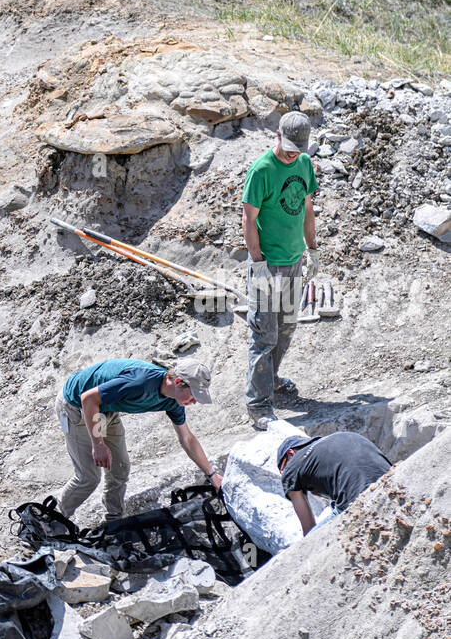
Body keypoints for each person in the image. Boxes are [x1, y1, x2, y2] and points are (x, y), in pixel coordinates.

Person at [56, 357, 223, 523]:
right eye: (194, 395)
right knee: (89, 477)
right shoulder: (140, 382)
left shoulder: (174, 401)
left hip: (106, 408)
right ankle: (53, 519)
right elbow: (88, 398)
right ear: (179, 382)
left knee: (120, 469)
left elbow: (187, 438)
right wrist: (98, 444)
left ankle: (113, 522)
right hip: (76, 406)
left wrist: (212, 475)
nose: (194, 402)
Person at [242, 111, 319, 431]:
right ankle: (258, 404)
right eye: (288, 147)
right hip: (267, 263)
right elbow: (248, 219)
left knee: (286, 327)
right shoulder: (261, 170)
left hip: (293, 260)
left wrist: (312, 249)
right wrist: (257, 263)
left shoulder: (304, 163)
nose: (292, 153)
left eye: (298, 148)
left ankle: (271, 380)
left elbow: (307, 208)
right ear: (277, 135)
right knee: (264, 333)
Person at [278, 432, 391, 535]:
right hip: (393, 485)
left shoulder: (291, 468)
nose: (283, 473)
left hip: (360, 502)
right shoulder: (343, 436)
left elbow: (308, 530)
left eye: (282, 468)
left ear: (290, 453)